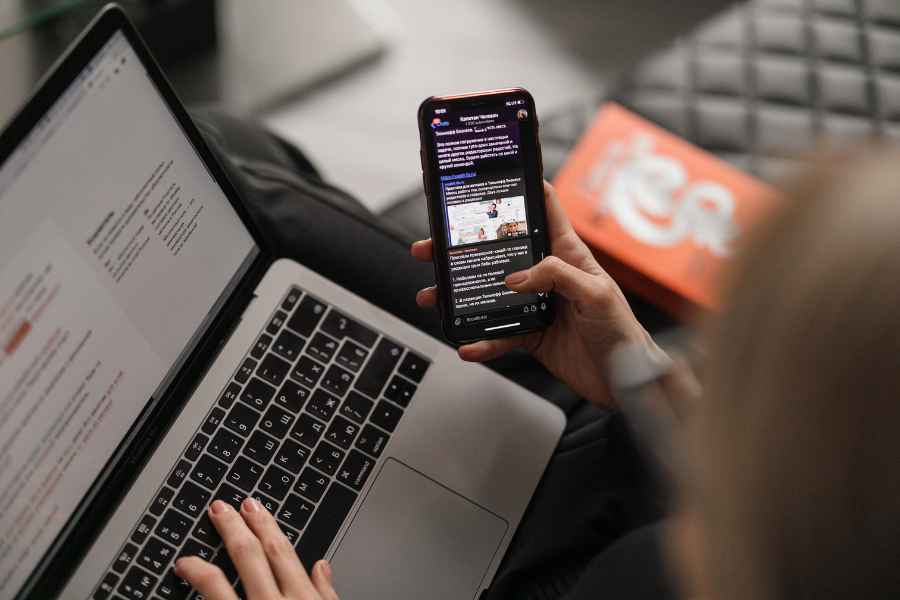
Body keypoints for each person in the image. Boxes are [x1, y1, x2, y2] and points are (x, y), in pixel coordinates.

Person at [175, 110, 900, 599]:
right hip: (599, 447)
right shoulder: (803, 538)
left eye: (741, 374)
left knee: (221, 148)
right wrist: (652, 384)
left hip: (544, 528)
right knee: (233, 146)